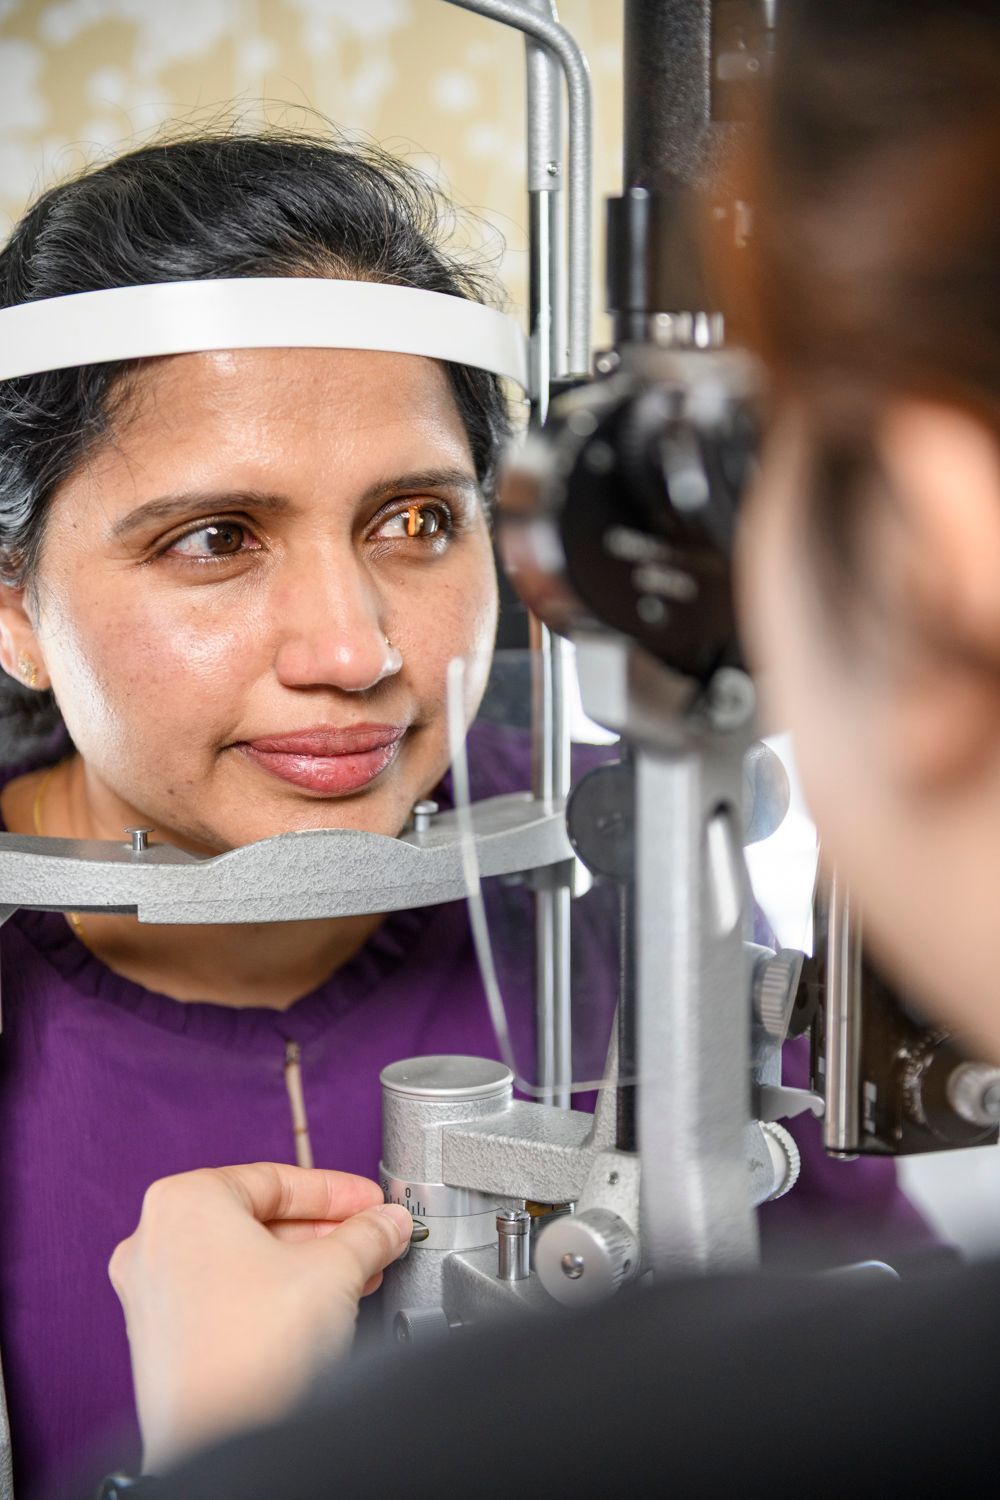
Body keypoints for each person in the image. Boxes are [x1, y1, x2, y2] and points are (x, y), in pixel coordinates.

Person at [94, 2, 1000, 1496]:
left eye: (415, 522)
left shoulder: (631, 853)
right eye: (213, 539)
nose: (353, 651)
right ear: (10, 608)